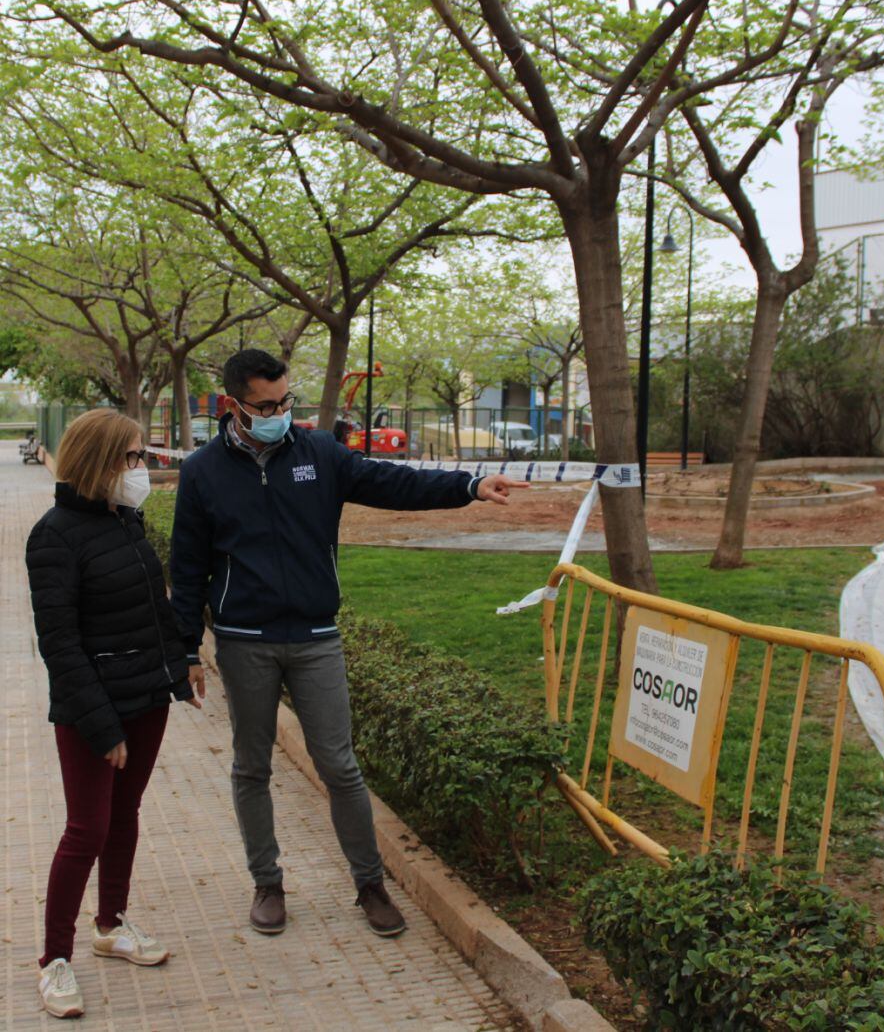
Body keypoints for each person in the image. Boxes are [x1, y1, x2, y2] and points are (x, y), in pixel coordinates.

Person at [169, 349, 527, 938]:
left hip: (315, 639)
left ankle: (370, 885)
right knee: (250, 767)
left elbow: (393, 482)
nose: (279, 412)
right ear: (233, 404)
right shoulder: (203, 471)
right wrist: (185, 649)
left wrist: (469, 484)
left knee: (340, 766)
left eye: (285, 401)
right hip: (244, 641)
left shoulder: (318, 453)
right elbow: (186, 569)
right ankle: (268, 882)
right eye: (265, 405)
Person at [25, 408, 201, 1020]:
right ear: (100, 461)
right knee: (87, 829)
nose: (142, 468)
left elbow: (156, 609)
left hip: (146, 699)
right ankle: (54, 960)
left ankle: (111, 924)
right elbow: (59, 645)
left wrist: (181, 668)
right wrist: (101, 727)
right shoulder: (53, 536)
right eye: (131, 457)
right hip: (91, 710)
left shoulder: (124, 520)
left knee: (124, 814)